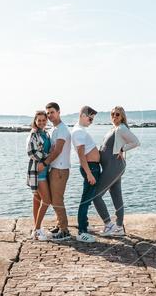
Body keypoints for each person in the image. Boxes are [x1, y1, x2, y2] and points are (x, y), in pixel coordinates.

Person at [92, 105, 140, 236]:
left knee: (96, 196)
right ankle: (119, 227)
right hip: (112, 166)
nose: (114, 116)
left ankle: (109, 225)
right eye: (112, 114)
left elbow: (136, 142)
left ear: (122, 116)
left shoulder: (121, 129)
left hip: (114, 166)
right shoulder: (114, 129)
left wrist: (123, 150)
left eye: (117, 114)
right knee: (116, 196)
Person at [71, 106, 101, 243]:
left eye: (93, 119)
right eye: (90, 118)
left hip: (92, 167)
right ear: (83, 115)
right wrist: (89, 173)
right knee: (86, 200)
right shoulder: (78, 132)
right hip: (90, 168)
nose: (91, 121)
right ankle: (82, 231)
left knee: (87, 199)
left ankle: (85, 225)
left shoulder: (80, 131)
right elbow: (81, 155)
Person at [43, 101, 72, 241]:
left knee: (57, 199)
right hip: (54, 168)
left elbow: (58, 150)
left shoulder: (62, 129)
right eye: (48, 113)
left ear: (59, 112)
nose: (49, 115)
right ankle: (59, 224)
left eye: (52, 112)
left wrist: (44, 163)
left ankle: (65, 230)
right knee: (54, 199)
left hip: (60, 169)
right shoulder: (53, 129)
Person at [26, 110, 52, 240]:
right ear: (35, 121)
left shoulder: (46, 134)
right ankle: (37, 230)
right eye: (39, 120)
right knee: (47, 200)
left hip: (45, 170)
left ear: (46, 120)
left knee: (37, 201)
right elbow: (31, 152)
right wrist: (47, 157)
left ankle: (37, 227)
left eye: (43, 120)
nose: (41, 122)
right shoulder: (34, 135)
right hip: (38, 171)